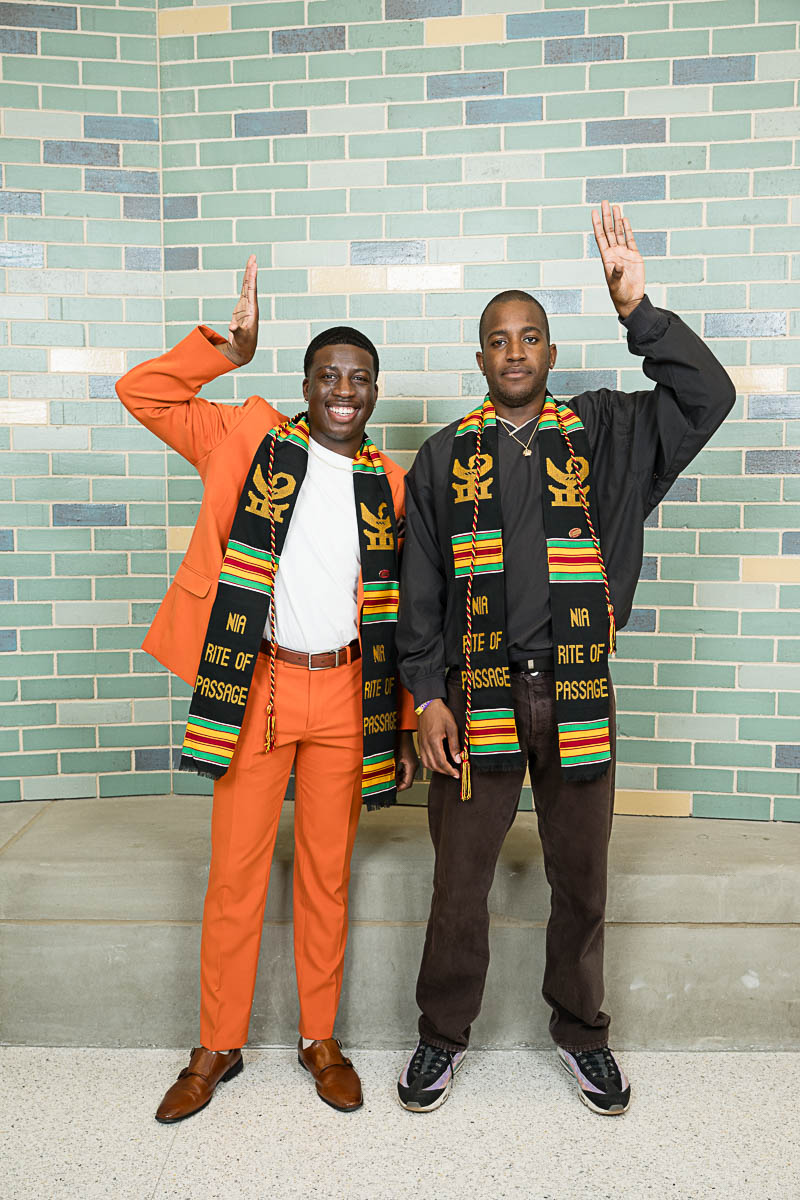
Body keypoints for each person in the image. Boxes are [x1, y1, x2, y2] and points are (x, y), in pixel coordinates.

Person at [395, 201, 735, 1116]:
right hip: (477, 698)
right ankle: (441, 1036)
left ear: (551, 351)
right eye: (498, 340)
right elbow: (418, 591)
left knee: (581, 880)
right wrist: (427, 695)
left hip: (578, 691)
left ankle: (583, 1035)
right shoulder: (443, 458)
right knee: (458, 884)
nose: (515, 352)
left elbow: (709, 398)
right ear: (480, 360)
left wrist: (639, 312)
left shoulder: (610, 434)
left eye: (530, 337)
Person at [116, 257, 418, 1121]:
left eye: (358, 379)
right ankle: (217, 1045)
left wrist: (399, 721)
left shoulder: (389, 483)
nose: (343, 391)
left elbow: (406, 608)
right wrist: (226, 351)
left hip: (347, 694)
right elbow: (143, 393)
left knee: (326, 876)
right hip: (259, 686)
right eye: (328, 375)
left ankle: (320, 1039)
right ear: (305, 384)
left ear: (374, 392)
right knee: (236, 875)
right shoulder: (247, 436)